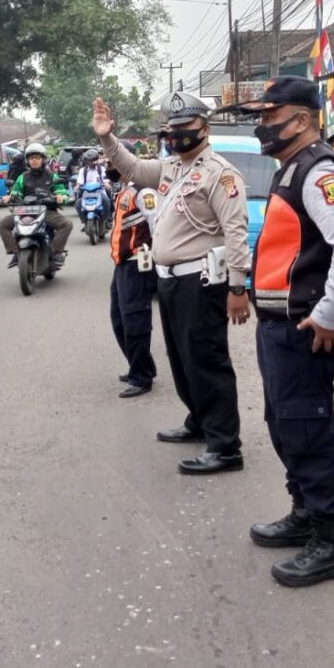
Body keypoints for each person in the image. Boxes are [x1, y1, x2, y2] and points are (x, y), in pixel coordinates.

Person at [235, 76, 334, 588]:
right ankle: (304, 513)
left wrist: (333, 313)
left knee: (308, 429)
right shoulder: (290, 170)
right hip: (280, 327)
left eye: (270, 116)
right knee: (285, 424)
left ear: (302, 119)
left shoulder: (317, 171)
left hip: (307, 329)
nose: (262, 126)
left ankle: (330, 542)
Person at [93, 92, 251, 476]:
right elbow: (130, 168)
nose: (177, 137)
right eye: (171, 131)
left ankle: (225, 446)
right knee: (181, 358)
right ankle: (199, 420)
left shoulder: (221, 174)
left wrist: (237, 288)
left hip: (202, 281)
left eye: (185, 129)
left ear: (205, 129)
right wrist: (106, 138)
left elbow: (236, 234)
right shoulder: (170, 169)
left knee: (207, 360)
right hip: (170, 282)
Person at [107, 165, 158, 399]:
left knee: (135, 320)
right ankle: (140, 365)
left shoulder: (145, 191)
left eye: (115, 162)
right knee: (119, 318)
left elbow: (157, 225)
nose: (111, 167)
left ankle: (142, 376)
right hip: (122, 263)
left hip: (137, 263)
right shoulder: (126, 189)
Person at [0, 142, 71, 268]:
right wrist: (10, 197)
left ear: (43, 159)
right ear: (27, 161)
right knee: (2, 224)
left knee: (67, 224)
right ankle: (15, 251)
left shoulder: (52, 176)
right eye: (31, 158)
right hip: (24, 211)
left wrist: (61, 196)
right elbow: (16, 191)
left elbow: (61, 191)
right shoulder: (23, 177)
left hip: (46, 211)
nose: (34, 161)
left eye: (37, 158)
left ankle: (55, 252)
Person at [73, 147, 111, 217]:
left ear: (96, 160)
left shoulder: (102, 169)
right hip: (86, 194)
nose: (90, 162)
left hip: (100, 193)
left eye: (92, 160)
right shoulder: (82, 170)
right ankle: (84, 220)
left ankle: (107, 218)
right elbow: (79, 182)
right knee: (78, 204)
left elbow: (106, 180)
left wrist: (106, 184)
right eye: (88, 160)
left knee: (107, 200)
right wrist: (77, 187)